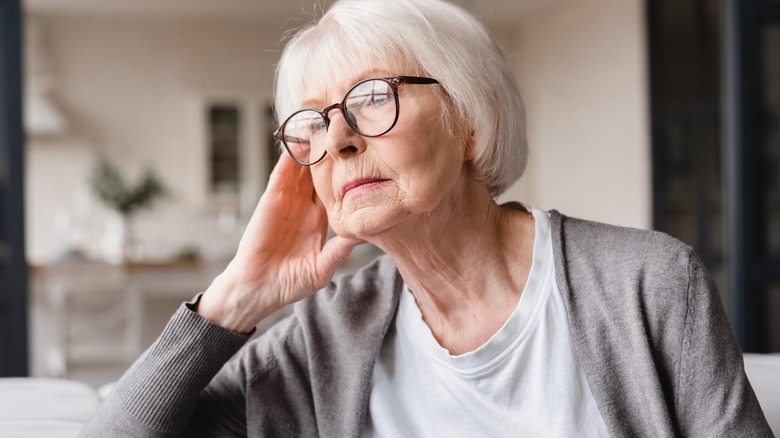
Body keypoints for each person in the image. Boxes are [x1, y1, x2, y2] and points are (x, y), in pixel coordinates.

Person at [81, 0, 772, 436]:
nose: (341, 138)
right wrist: (236, 297)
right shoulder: (323, 337)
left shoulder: (648, 283)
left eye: (372, 98)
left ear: (469, 122)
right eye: (314, 122)